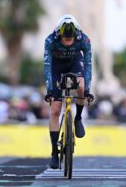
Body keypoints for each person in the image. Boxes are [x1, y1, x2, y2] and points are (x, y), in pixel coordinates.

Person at [43, 14, 94, 169]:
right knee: (55, 110)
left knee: (80, 86)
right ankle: (54, 153)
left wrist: (87, 90)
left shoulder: (83, 40)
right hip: (56, 67)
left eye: (70, 39)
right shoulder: (51, 40)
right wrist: (50, 90)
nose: (67, 41)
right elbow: (47, 65)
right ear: (59, 34)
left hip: (74, 64)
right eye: (65, 39)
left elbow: (88, 63)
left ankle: (77, 118)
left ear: (76, 35)